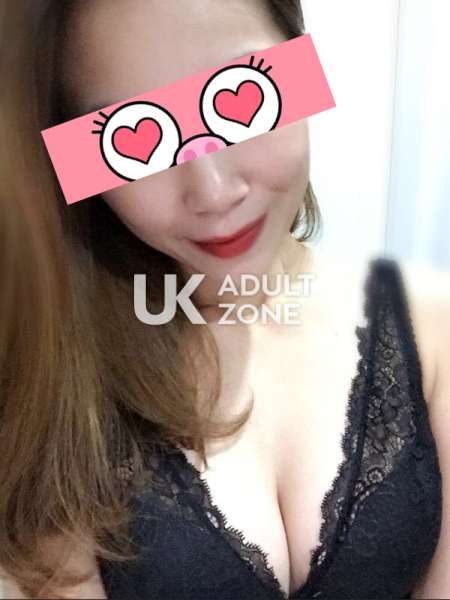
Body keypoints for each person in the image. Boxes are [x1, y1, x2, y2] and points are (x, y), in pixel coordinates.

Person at [0, 1, 449, 598]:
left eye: (242, 92)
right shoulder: (52, 376)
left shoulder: (433, 322)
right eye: (129, 135)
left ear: (300, 57)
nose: (212, 191)